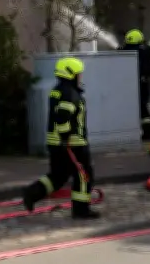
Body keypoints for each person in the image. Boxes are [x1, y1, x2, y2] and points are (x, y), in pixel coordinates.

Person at [21, 56, 100, 219]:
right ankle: (81, 210)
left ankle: (32, 193)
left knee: (58, 176)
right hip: (73, 144)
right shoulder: (69, 93)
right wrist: (66, 139)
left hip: (55, 143)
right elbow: (63, 117)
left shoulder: (58, 90)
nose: (80, 76)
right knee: (84, 175)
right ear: (71, 73)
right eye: (79, 73)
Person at [119, 29, 150, 141]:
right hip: (142, 84)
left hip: (127, 86)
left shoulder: (124, 51)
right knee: (144, 109)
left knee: (127, 108)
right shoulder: (145, 52)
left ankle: (127, 131)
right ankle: (147, 133)